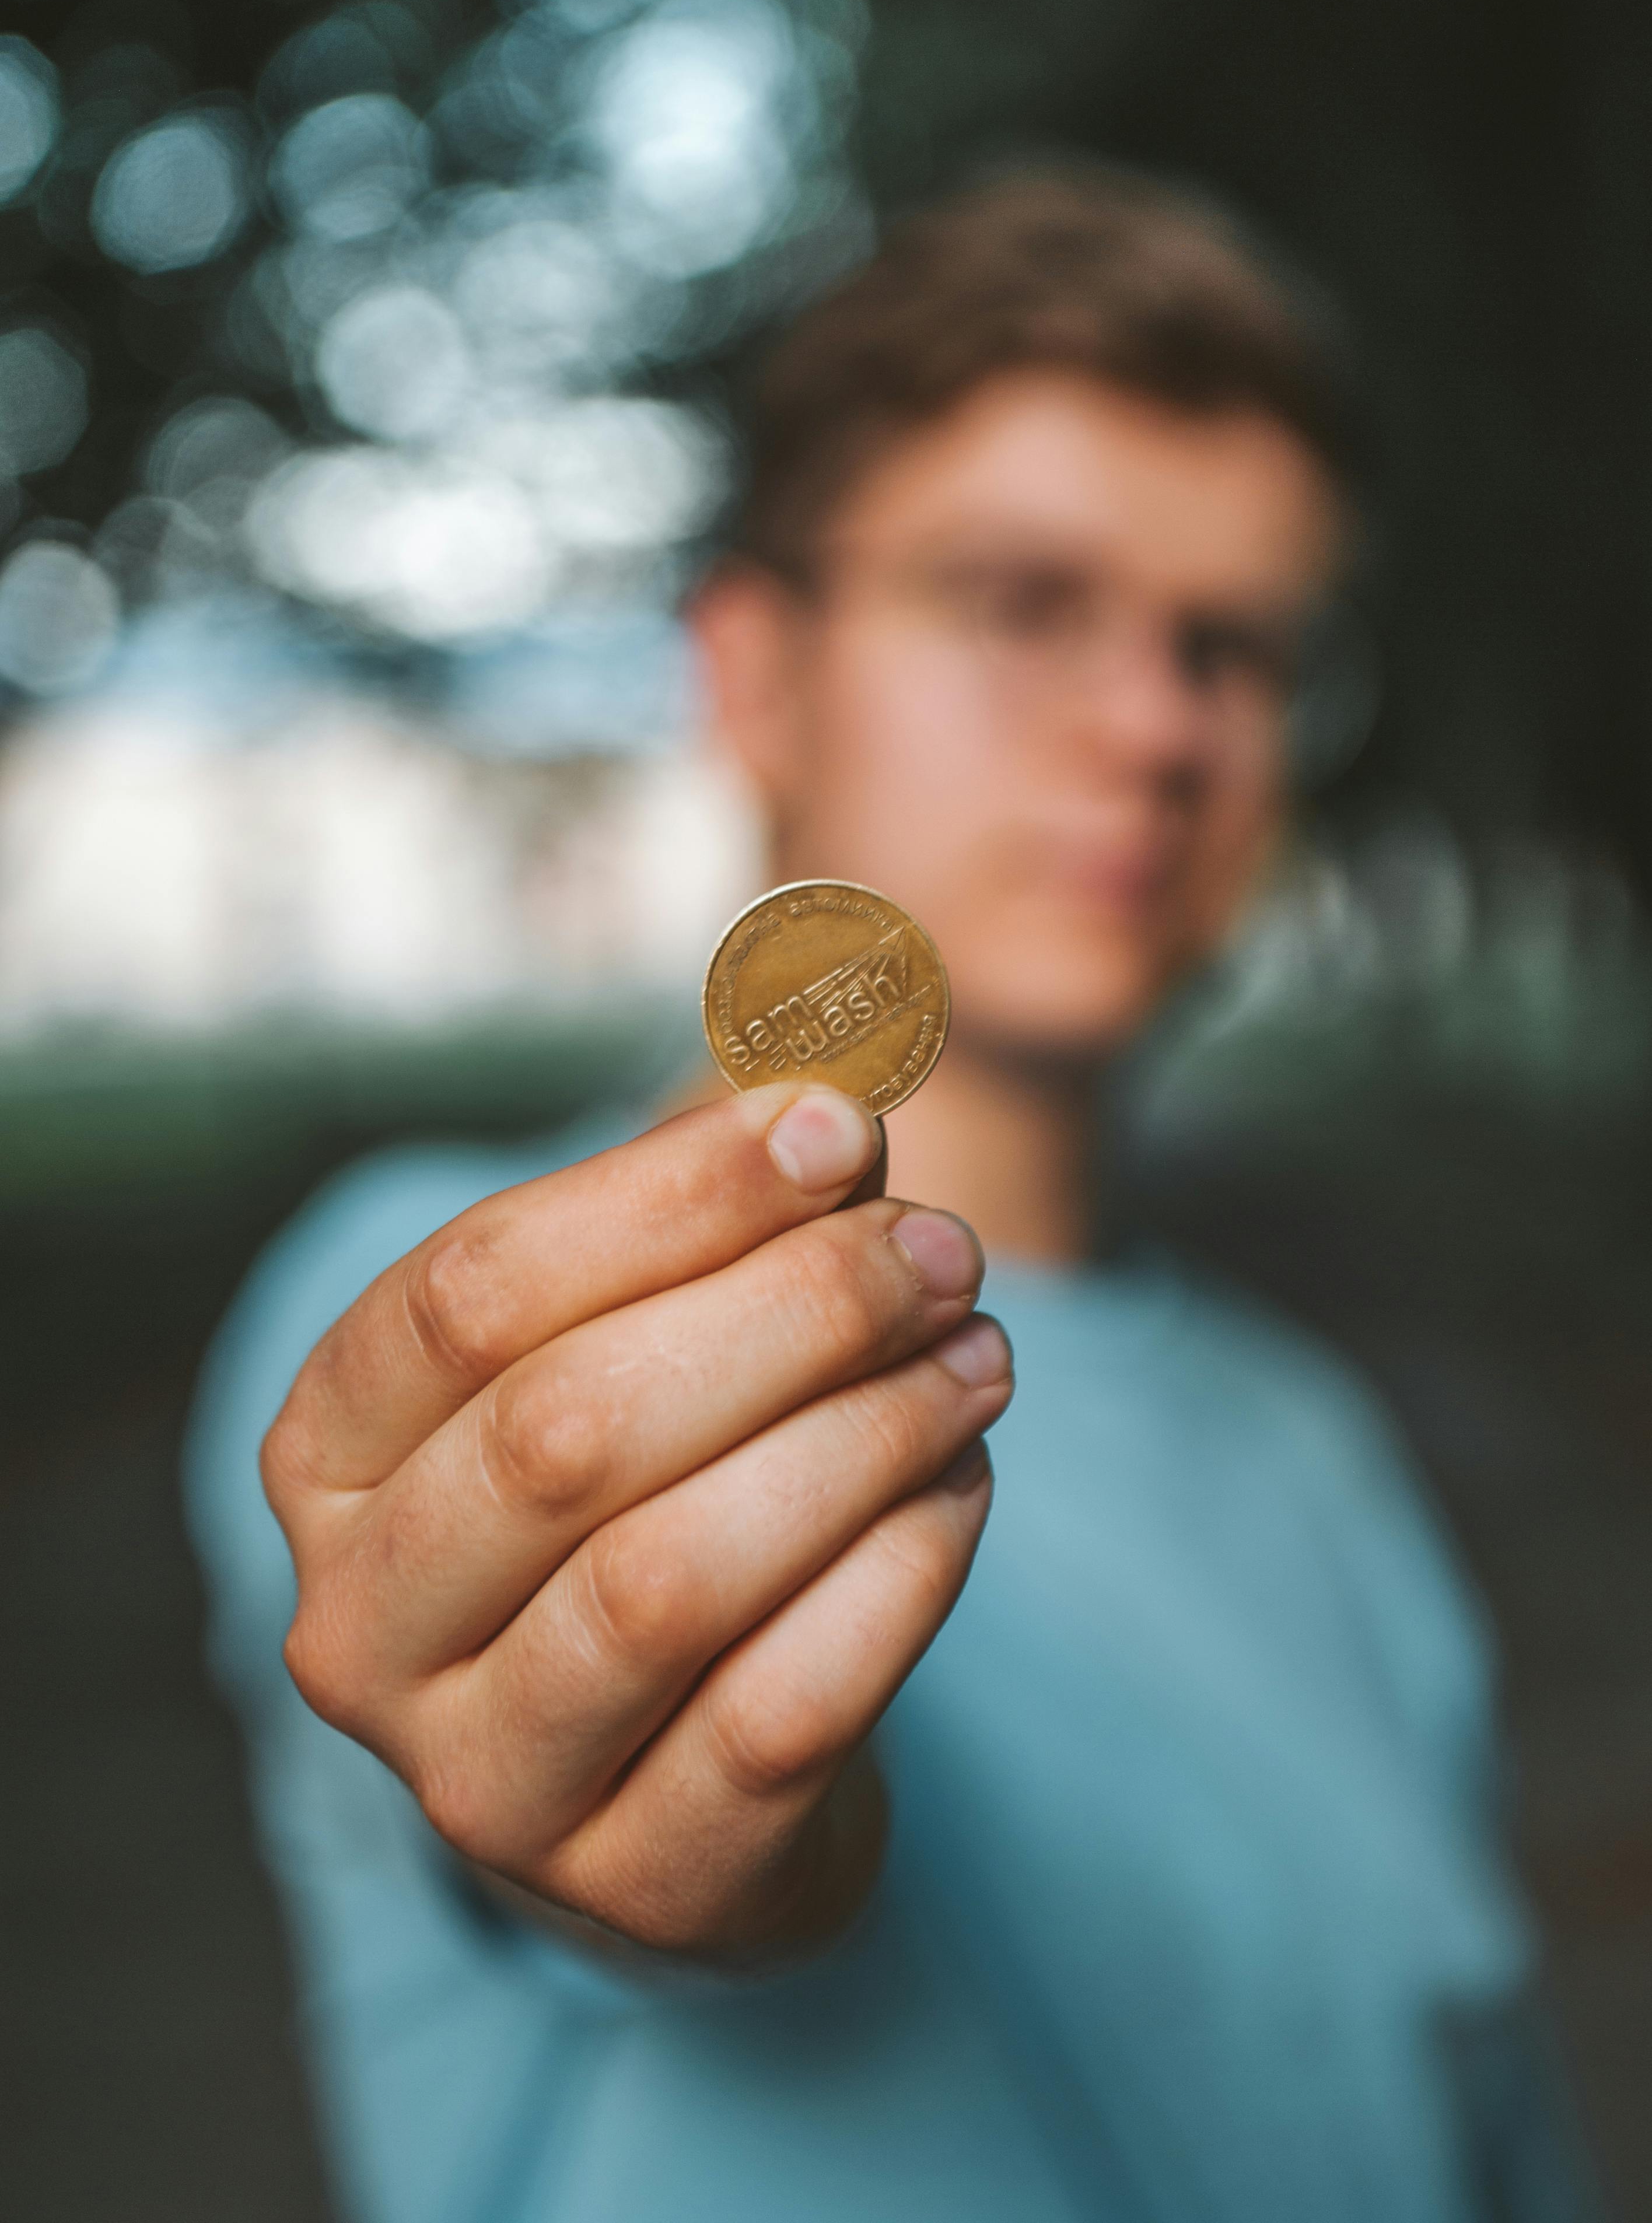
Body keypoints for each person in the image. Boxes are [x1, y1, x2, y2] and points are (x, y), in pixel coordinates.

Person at [186, 171, 1592, 2223]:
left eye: (1235, 647)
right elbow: (613, 1807)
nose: (1149, 727)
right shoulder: (455, 1303)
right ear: (756, 677)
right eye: (1024, 601)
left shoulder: (1326, 1459)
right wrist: (731, 1831)